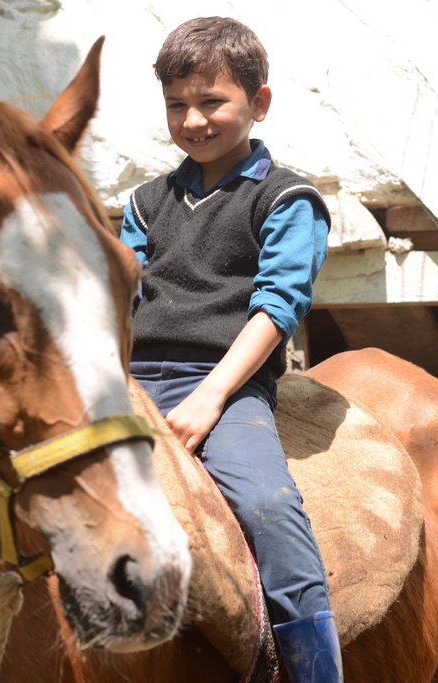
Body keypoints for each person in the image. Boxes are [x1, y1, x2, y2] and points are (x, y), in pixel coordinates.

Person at [120, 16, 342, 683]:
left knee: (269, 507)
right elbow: (121, 298)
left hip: (225, 382)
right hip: (131, 378)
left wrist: (210, 396)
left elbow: (278, 306)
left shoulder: (288, 198)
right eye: (177, 105)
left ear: (259, 103)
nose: (193, 119)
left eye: (212, 101)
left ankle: (315, 671)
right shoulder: (143, 201)